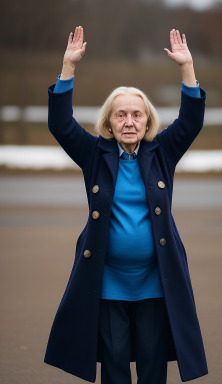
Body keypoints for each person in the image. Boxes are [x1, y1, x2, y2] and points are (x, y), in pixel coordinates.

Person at [44, 26, 208, 384]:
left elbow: (192, 120)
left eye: (136, 114)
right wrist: (67, 67)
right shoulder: (94, 154)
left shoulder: (162, 152)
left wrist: (187, 68)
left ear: (147, 120)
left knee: (152, 369)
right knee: (115, 369)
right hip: (106, 283)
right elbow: (60, 123)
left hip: (154, 283)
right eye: (121, 115)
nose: (129, 121)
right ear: (109, 122)